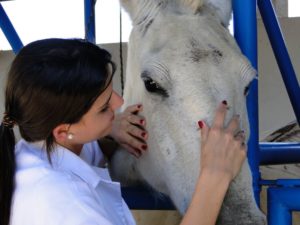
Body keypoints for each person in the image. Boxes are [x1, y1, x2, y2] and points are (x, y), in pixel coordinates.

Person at [0, 38, 246, 225]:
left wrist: (109, 130)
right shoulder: (63, 205)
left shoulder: (46, 147)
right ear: (63, 131)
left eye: (113, 91)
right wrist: (215, 176)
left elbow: (88, 151)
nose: (119, 104)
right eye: (105, 107)